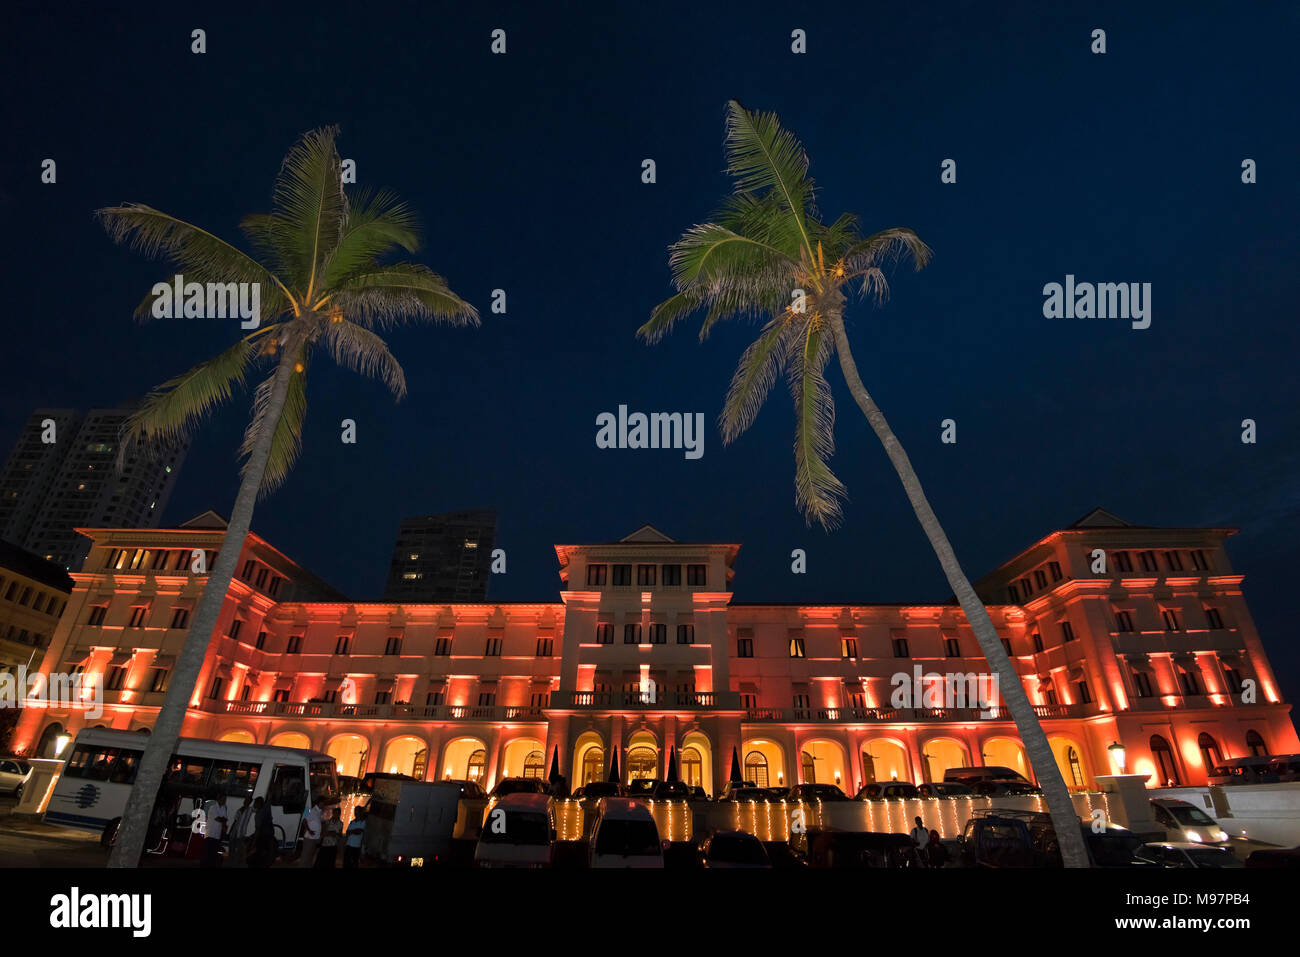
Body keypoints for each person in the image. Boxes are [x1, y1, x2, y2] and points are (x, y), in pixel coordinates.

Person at [203, 794, 229, 867]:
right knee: (207, 853)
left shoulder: (223, 808)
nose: (224, 801)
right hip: (210, 833)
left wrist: (223, 820)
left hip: (217, 834)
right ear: (219, 799)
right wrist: (223, 819)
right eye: (223, 799)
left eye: (225, 799)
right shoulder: (213, 807)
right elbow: (219, 819)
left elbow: (224, 819)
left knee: (213, 853)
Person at [228, 799, 255, 868]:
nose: (246, 802)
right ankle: (231, 864)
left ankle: (236, 864)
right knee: (231, 850)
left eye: (248, 801)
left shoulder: (250, 809)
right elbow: (235, 821)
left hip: (241, 833)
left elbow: (258, 809)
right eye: (246, 801)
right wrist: (230, 831)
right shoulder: (239, 810)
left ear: (249, 802)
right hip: (234, 833)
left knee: (238, 850)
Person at [250, 796, 276, 868]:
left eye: (255, 803)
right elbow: (269, 801)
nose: (254, 805)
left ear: (258, 804)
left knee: (259, 855)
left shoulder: (258, 815)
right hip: (270, 835)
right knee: (268, 854)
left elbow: (257, 830)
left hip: (262, 837)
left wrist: (253, 843)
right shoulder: (266, 808)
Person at [298, 803, 322, 868]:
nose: (324, 805)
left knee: (310, 857)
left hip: (315, 838)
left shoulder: (320, 811)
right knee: (305, 857)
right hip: (309, 838)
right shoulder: (309, 809)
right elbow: (304, 821)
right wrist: (309, 830)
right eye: (324, 803)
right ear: (320, 802)